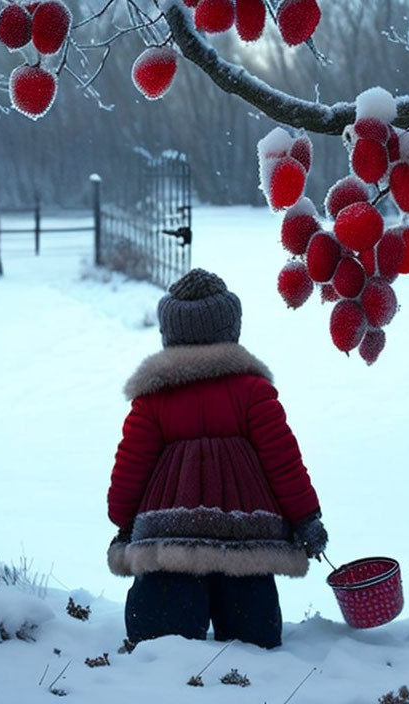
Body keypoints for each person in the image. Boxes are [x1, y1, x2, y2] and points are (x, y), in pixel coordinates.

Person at [106, 268, 326, 649]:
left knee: (160, 641)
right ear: (231, 329)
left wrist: (123, 517)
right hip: (247, 538)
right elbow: (283, 460)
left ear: (169, 334)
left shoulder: (155, 398)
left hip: (168, 536)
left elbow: (132, 464)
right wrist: (305, 519)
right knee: (253, 640)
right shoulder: (253, 391)